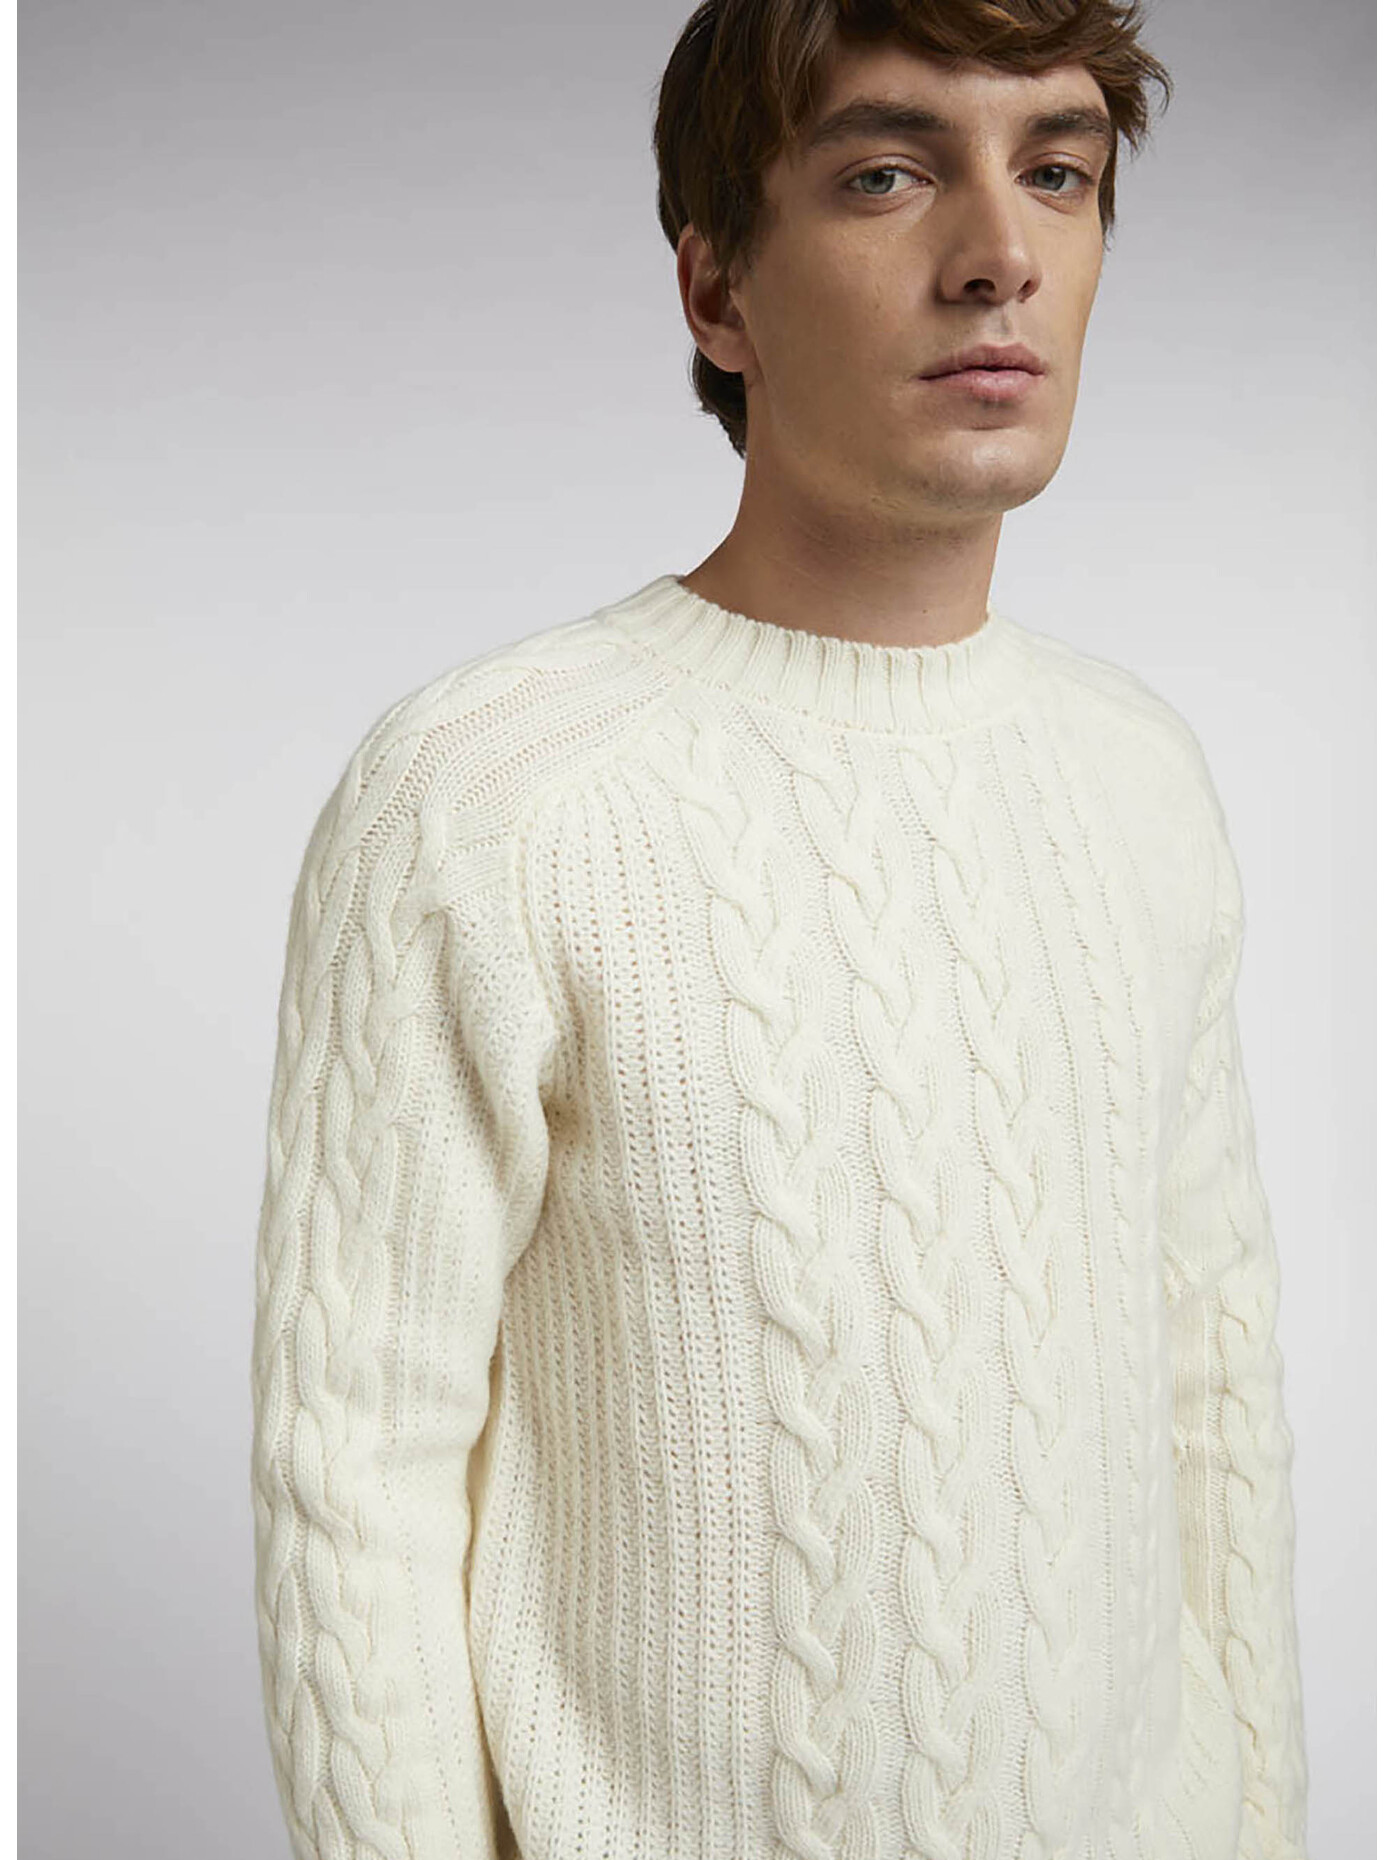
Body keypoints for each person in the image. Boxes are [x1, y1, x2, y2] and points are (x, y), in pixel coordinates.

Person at [249, 3, 1310, 1856]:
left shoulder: (1140, 775)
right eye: (889, 174)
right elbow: (353, 1478)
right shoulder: (484, 796)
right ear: (717, 290)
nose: (1000, 254)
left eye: (1059, 171)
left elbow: (1209, 1382)